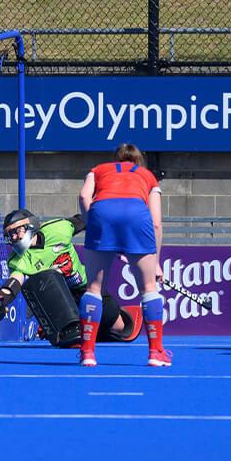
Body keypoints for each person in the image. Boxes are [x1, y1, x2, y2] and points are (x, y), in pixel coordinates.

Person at [0, 209, 141, 346]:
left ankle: (93, 328)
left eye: (17, 231)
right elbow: (11, 287)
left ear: (30, 226)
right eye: (10, 235)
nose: (14, 237)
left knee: (118, 326)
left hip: (87, 291)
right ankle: (69, 327)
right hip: (58, 302)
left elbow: (86, 220)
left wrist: (116, 239)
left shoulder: (59, 229)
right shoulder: (19, 261)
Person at [78, 143, 167, 367]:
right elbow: (156, 222)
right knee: (148, 288)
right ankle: (156, 353)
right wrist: (155, 261)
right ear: (139, 161)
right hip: (136, 215)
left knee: (94, 288)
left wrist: (95, 226)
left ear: (115, 159)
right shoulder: (148, 177)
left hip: (101, 213)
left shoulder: (98, 170)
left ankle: (87, 353)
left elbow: (83, 196)